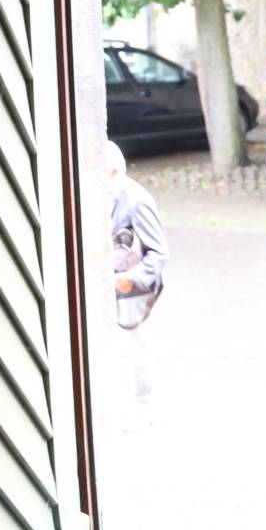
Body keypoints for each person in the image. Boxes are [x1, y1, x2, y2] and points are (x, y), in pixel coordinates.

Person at [107, 140, 169, 406]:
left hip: (131, 291)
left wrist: (128, 280)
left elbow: (159, 253)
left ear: (113, 172)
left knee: (137, 350)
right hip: (109, 288)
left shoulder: (136, 200)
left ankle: (146, 407)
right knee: (118, 353)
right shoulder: (104, 196)